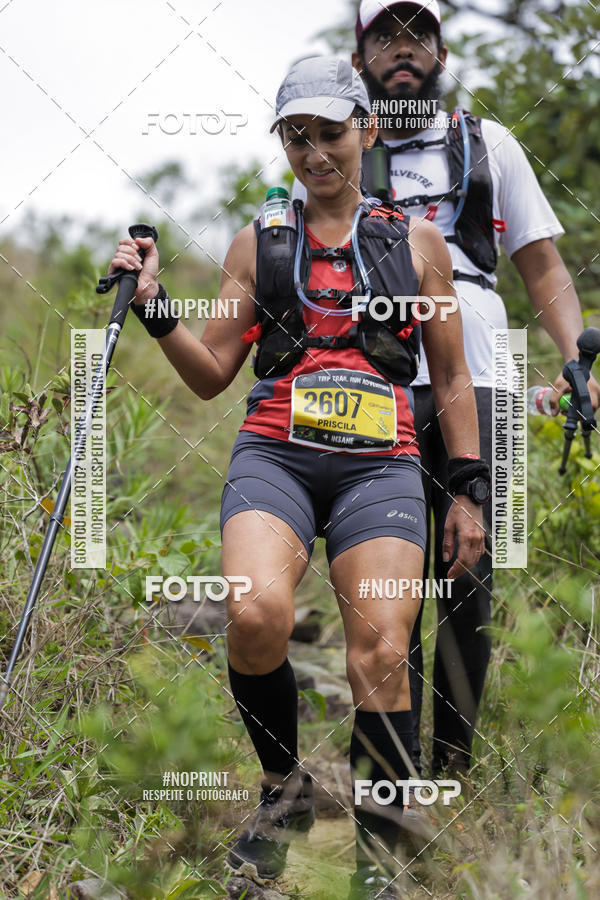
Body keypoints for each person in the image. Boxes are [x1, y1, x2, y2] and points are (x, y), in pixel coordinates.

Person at [107, 55, 490, 900]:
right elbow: (212, 371)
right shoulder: (258, 241)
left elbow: (453, 377)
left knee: (382, 652)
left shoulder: (417, 243)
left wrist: (467, 489)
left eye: (330, 133)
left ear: (367, 130)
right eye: (296, 136)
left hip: (380, 466)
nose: (314, 153)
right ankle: (283, 799)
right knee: (254, 612)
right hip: (275, 455)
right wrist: (153, 302)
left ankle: (380, 856)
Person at [344, 0, 599, 779]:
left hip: (486, 369)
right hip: (372, 380)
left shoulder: (489, 145)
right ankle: (396, 782)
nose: (403, 50)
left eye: (418, 34)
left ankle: (451, 774)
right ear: (358, 59)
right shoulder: (338, 148)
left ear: (442, 51)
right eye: (385, 36)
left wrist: (578, 358)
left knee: (473, 579)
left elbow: (543, 264)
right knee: (387, 585)